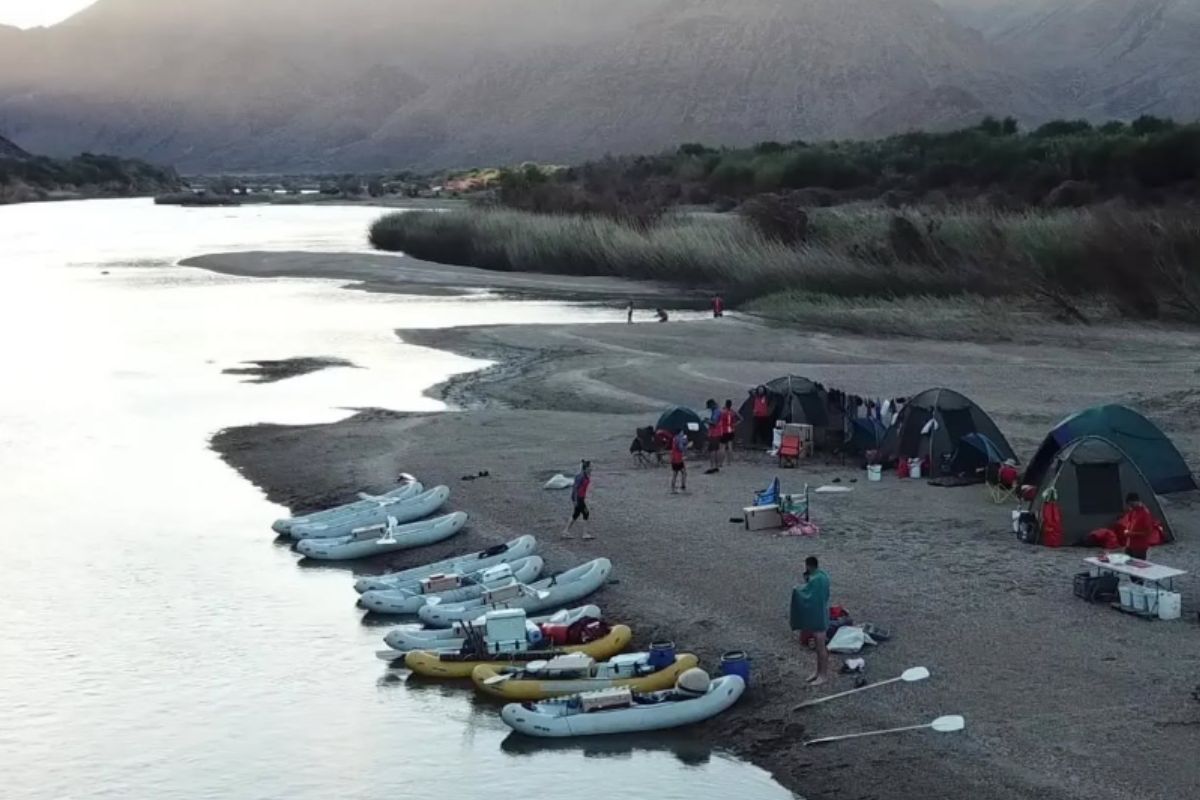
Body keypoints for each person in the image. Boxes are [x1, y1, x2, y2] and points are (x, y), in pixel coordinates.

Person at [790, 556, 831, 686]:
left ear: (808, 565)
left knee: (821, 648)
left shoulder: (817, 579)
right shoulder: (822, 575)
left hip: (819, 618)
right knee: (818, 649)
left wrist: (796, 589)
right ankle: (817, 672)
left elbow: (807, 593)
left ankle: (823, 675)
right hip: (820, 613)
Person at [563, 460, 593, 540]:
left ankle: (565, 531)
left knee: (576, 514)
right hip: (578, 498)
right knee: (586, 513)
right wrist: (575, 501)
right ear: (586, 467)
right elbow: (575, 488)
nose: (592, 468)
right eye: (590, 466)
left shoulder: (585, 475)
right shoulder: (581, 476)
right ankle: (584, 533)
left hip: (580, 498)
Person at [1121, 492, 1156, 560]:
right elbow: (1129, 522)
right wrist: (1127, 530)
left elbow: (1148, 532)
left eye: (1132, 504)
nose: (1130, 507)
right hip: (1130, 544)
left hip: (1140, 546)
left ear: (1136, 501)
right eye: (1129, 505)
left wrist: (1132, 534)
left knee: (1138, 567)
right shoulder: (1132, 511)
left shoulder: (1145, 513)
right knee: (1127, 563)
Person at [718, 399, 741, 464]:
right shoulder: (733, 412)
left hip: (723, 430)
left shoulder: (722, 412)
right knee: (730, 446)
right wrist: (735, 424)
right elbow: (741, 419)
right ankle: (729, 462)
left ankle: (720, 462)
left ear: (725, 404)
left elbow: (718, 421)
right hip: (731, 430)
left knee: (722, 447)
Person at [704, 398, 722, 473]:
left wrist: (707, 421)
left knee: (712, 450)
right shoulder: (718, 410)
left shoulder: (716, 412)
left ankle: (712, 467)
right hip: (718, 433)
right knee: (716, 449)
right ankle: (716, 466)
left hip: (714, 433)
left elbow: (714, 423)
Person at [670, 429, 689, 493]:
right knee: (684, 472)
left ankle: (673, 486)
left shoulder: (674, 438)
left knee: (675, 473)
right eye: (682, 432)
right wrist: (687, 446)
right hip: (678, 459)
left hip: (673, 458)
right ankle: (683, 485)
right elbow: (680, 448)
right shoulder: (679, 439)